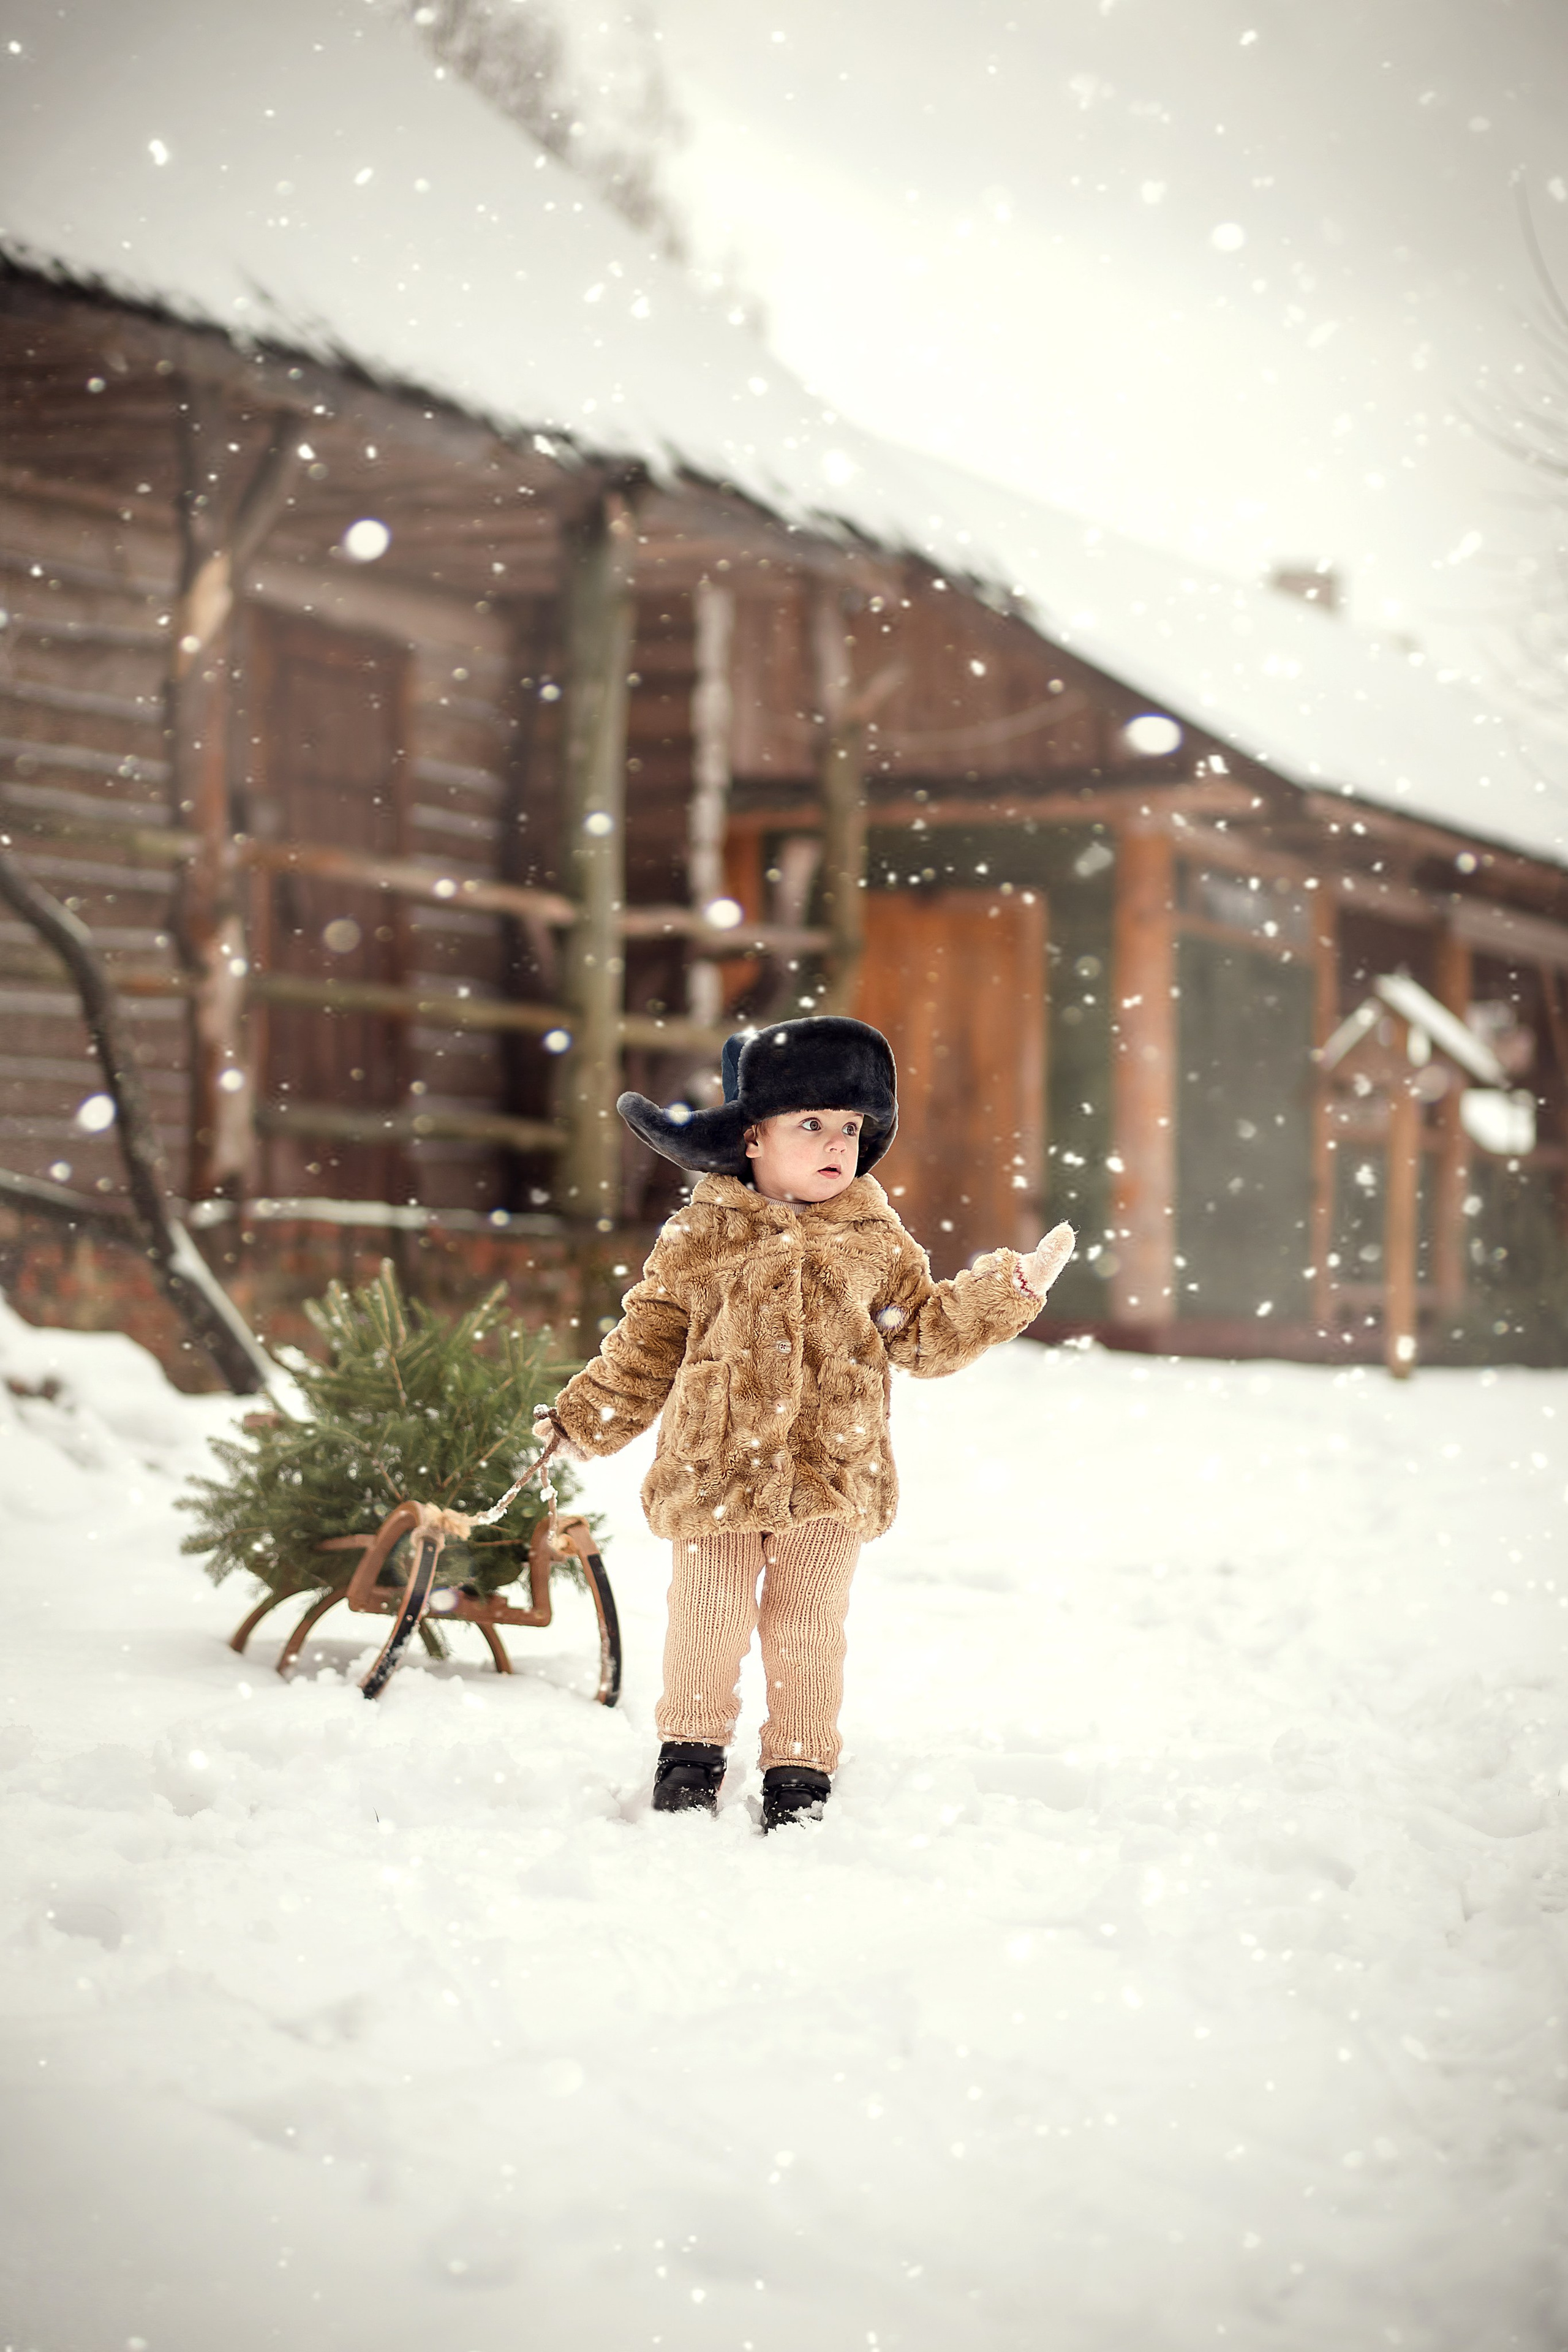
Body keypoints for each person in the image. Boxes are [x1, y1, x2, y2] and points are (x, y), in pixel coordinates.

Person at [533, 1015, 1075, 1832]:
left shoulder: (874, 1241)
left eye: (851, 1127)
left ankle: (799, 1768)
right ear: (752, 1138)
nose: (836, 1143)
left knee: (808, 1629)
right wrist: (586, 1416)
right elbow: (648, 1341)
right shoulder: (701, 1235)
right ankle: (691, 1755)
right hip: (715, 1471)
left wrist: (1008, 1289)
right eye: (811, 1124)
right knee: (707, 1621)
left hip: (832, 1473)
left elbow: (922, 1335)